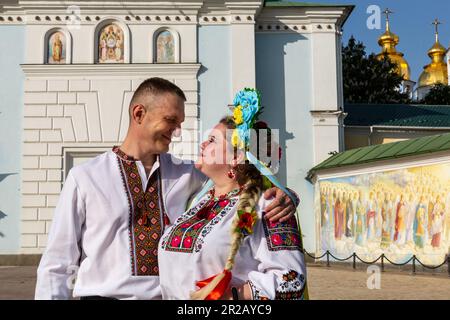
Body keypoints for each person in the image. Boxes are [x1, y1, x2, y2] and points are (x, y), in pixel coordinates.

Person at [35, 78, 296, 300]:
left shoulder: (187, 174)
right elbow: (58, 263)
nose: (178, 132)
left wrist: (287, 195)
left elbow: (242, 176)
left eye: (180, 123)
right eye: (171, 120)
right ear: (139, 114)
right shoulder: (85, 177)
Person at [158, 88, 307, 300]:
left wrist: (231, 295)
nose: (202, 144)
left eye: (212, 140)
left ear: (237, 156)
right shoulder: (195, 202)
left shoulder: (267, 207)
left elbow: (292, 280)